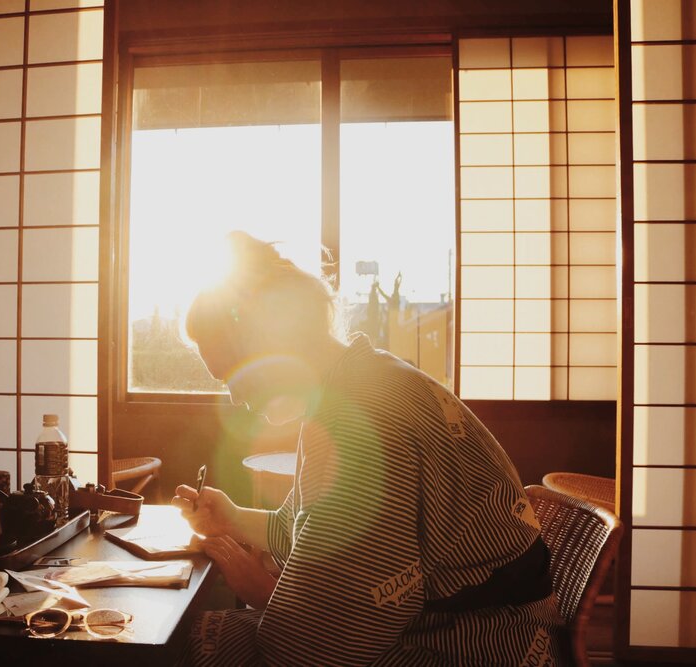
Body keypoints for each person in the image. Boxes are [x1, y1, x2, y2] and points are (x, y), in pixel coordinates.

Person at [173, 232, 565, 666]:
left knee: (188, 646)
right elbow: (312, 533)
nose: (234, 398)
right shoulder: (358, 383)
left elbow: (323, 639)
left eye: (233, 375)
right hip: (475, 622)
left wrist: (261, 593)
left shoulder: (358, 418)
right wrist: (232, 518)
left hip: (471, 642)